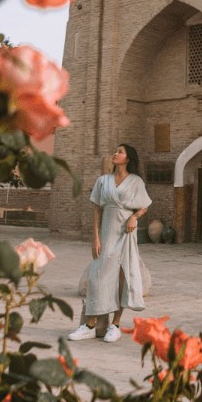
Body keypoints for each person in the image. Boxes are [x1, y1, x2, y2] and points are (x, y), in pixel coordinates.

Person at [68, 143, 152, 343]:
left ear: (128, 158)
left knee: (122, 278)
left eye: (120, 152)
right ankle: (89, 325)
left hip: (126, 234)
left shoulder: (136, 181)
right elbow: (97, 209)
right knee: (97, 277)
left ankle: (115, 325)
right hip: (106, 234)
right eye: (116, 151)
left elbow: (144, 206)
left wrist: (135, 217)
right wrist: (95, 236)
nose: (115, 153)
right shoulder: (102, 181)